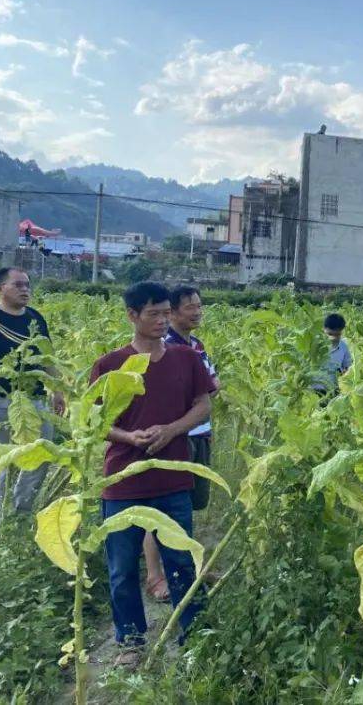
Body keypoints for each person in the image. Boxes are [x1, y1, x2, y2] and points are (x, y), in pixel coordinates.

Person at [91, 281, 216, 668]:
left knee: (182, 560)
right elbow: (94, 420)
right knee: (121, 566)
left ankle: (194, 635)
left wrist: (172, 429)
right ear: (132, 316)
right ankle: (130, 641)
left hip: (174, 475)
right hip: (123, 480)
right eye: (154, 314)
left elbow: (204, 404)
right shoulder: (110, 365)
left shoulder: (186, 359)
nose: (163, 321)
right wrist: (129, 435)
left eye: (166, 313)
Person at [0, 267, 63, 526]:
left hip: (35, 401)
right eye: (18, 285)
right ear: (0, 289)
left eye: (28, 285)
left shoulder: (36, 319)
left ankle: (20, 513)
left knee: (42, 454)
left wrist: (57, 390)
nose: (25, 290)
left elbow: (47, 359)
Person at [141, 285, 220, 603]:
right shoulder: (164, 348)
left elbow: (211, 386)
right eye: (190, 307)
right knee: (160, 508)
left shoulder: (196, 345)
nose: (198, 311)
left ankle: (186, 569)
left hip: (198, 434)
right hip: (175, 437)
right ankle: (155, 576)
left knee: (186, 507)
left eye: (199, 306)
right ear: (171, 312)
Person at [311, 313, 352, 395]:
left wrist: (345, 373)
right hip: (314, 391)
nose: (333, 338)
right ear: (323, 330)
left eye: (337, 335)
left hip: (334, 391)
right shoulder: (314, 345)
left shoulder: (344, 347)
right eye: (330, 334)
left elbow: (347, 367)